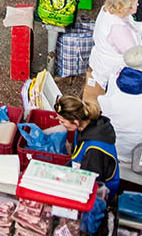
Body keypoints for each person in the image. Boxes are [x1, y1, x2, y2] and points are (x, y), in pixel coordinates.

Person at [84, 0, 142, 103]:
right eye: (136, 2)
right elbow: (136, 58)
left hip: (104, 61)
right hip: (114, 70)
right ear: (126, 7)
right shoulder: (117, 30)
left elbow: (134, 28)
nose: (138, 4)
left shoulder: (111, 10)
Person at [53, 96, 118, 236]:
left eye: (62, 121)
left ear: (75, 122)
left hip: (99, 195)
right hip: (86, 175)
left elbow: (89, 187)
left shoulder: (94, 152)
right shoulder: (87, 125)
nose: (60, 123)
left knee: (87, 228)